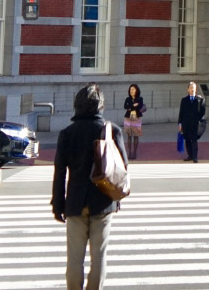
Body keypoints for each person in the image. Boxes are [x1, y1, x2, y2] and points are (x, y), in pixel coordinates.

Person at [52, 83, 126, 290]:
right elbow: (122, 169)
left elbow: (59, 172)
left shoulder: (67, 133)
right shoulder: (112, 131)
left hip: (75, 202)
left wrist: (58, 204)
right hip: (103, 201)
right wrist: (116, 199)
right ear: (100, 105)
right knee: (99, 257)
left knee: (74, 259)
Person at [179, 81, 209, 163]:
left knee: (194, 140)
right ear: (188, 89)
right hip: (186, 123)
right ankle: (190, 156)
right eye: (191, 88)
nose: (193, 90)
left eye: (194, 88)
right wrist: (180, 123)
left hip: (195, 123)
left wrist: (197, 119)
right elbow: (181, 112)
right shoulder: (184, 100)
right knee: (187, 140)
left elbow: (203, 111)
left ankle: (195, 157)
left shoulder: (200, 100)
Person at [121, 83, 146, 160]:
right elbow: (125, 106)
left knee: (136, 135)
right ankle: (129, 152)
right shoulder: (127, 99)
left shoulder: (140, 99)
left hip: (136, 117)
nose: (132, 91)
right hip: (128, 118)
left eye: (133, 89)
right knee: (129, 135)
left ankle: (134, 152)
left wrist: (131, 107)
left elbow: (139, 106)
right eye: (131, 89)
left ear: (136, 90)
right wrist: (133, 106)